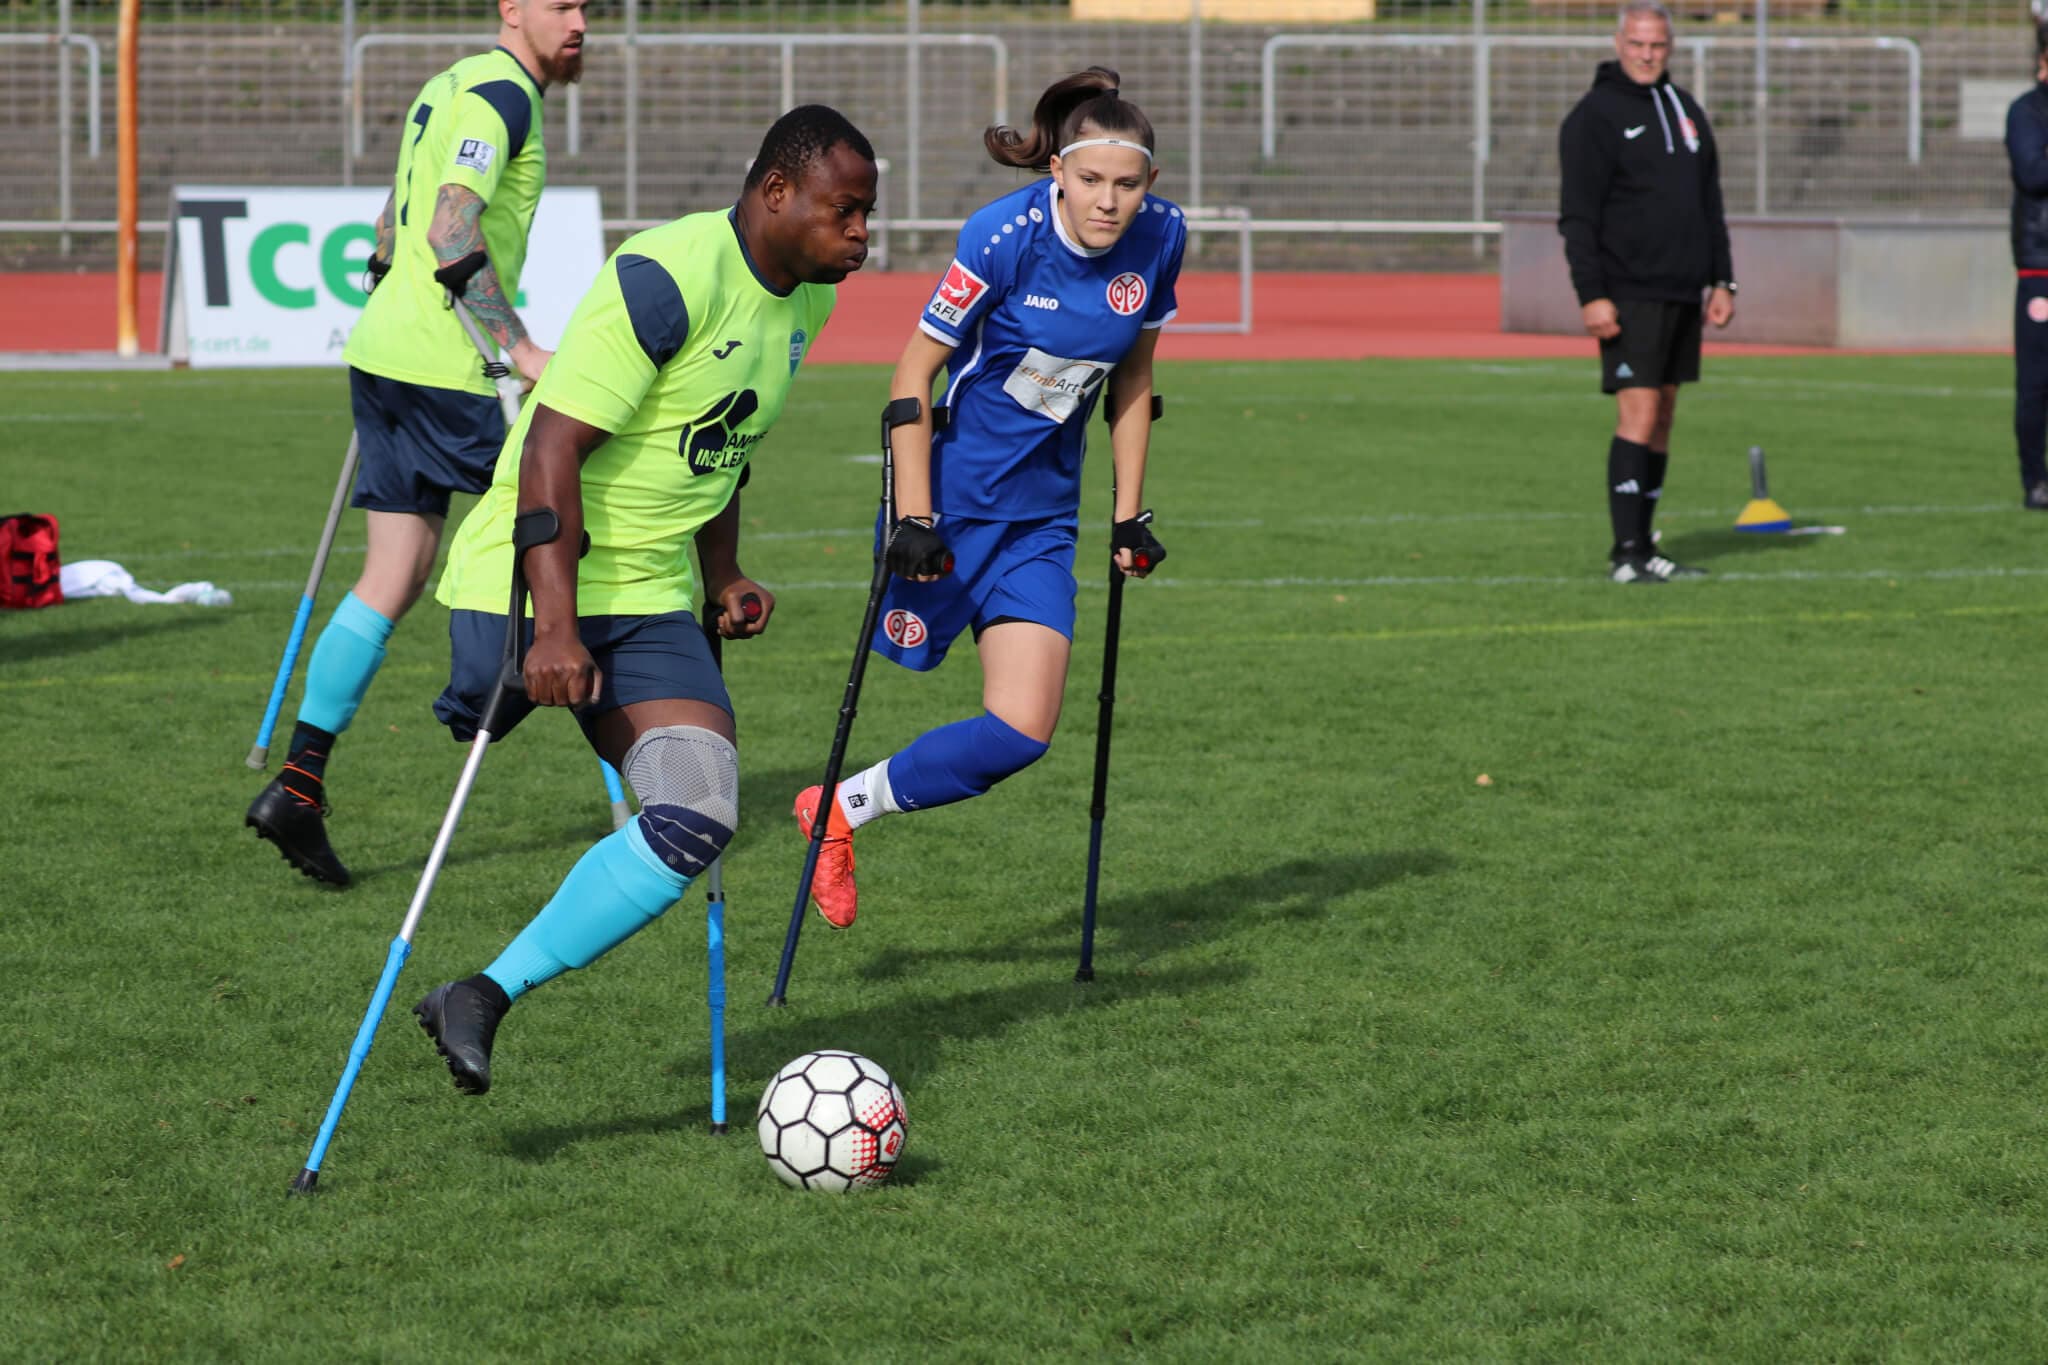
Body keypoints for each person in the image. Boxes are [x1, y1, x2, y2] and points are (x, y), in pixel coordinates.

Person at [411, 106, 878, 1095]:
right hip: (525, 581)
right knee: (476, 710)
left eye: (865, 214)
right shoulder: (667, 277)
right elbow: (550, 448)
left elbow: (723, 440)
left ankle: (479, 994)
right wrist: (556, 628)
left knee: (700, 812)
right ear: (777, 192)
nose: (861, 235)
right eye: (844, 212)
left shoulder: (807, 298)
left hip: (650, 594)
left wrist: (723, 576)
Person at [788, 67, 1181, 930]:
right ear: (1058, 173)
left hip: (1042, 519)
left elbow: (1134, 378)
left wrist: (1128, 512)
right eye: (1091, 180)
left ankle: (840, 808)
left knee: (1022, 731)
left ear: (1150, 182)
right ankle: (836, 810)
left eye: (1127, 184)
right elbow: (912, 374)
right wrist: (915, 516)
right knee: (906, 663)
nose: (1108, 201)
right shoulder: (1001, 236)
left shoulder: (1163, 235)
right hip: (953, 505)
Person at [244, 0, 586, 885]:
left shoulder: (450, 82)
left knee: (391, 574)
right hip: (448, 368)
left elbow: (390, 226)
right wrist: (519, 347)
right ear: (513, 9)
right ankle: (500, 699)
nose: (581, 21)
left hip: (383, 354)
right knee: (569, 522)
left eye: (587, 6)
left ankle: (298, 785)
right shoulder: (505, 95)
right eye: (562, 5)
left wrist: (391, 283)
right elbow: (449, 227)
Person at [1559, 0, 1735, 584]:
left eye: (1657, 45)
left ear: (1670, 47)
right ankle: (1627, 552)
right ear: (1618, 43)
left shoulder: (1685, 109)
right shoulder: (1594, 116)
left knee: (1663, 416)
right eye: (1637, 43)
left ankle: (1646, 541)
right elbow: (1577, 217)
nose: (1646, 54)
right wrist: (1591, 293)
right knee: (1638, 412)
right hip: (1628, 290)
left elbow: (1709, 203)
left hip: (1682, 290)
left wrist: (1722, 279)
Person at [2007, 22, 2048, 511]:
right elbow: (2033, 173)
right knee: (2037, 382)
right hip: (2041, 263)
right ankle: (2036, 480)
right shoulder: (2027, 111)